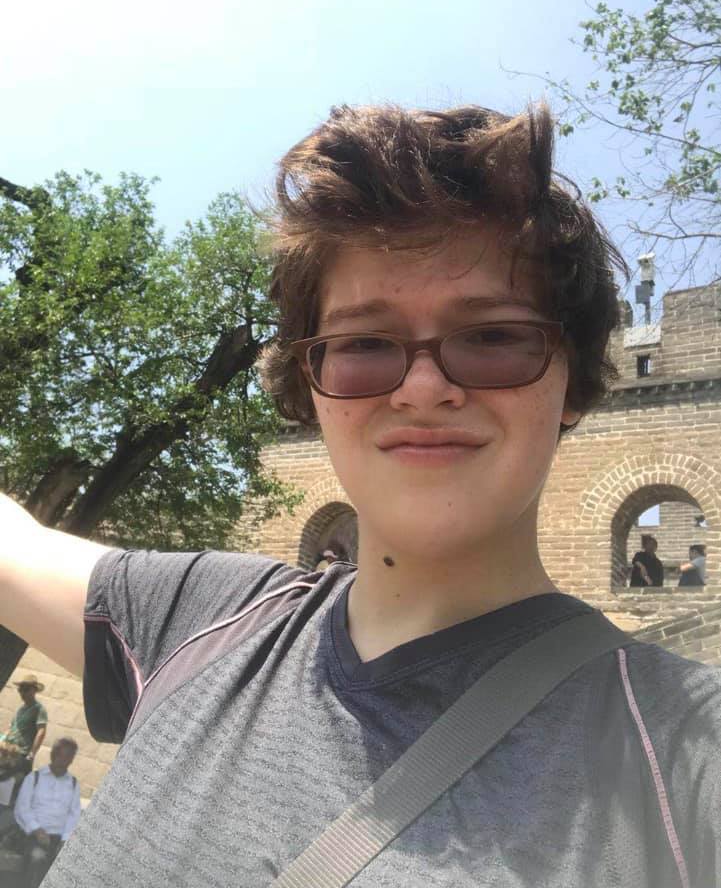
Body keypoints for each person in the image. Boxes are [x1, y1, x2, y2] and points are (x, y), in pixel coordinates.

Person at [0, 102, 720, 888]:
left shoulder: (675, 746)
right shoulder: (197, 621)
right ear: (312, 390)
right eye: (363, 345)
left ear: (573, 382)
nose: (420, 388)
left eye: (490, 337)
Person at [13, 738, 81, 888]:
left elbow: (74, 814)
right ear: (53, 755)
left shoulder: (73, 784)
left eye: (69, 756)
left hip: (59, 839)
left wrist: (65, 839)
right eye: (61, 755)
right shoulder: (35, 778)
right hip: (34, 836)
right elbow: (22, 808)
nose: (64, 760)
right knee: (38, 858)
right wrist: (37, 830)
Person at [0, 676, 48, 786]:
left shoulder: (39, 709)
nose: (22, 692)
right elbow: (11, 728)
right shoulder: (20, 709)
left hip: (22, 753)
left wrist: (32, 753)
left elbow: (41, 732)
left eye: (26, 689)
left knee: (15, 785)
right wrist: (3, 739)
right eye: (20, 689)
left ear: (34, 690)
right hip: (8, 751)